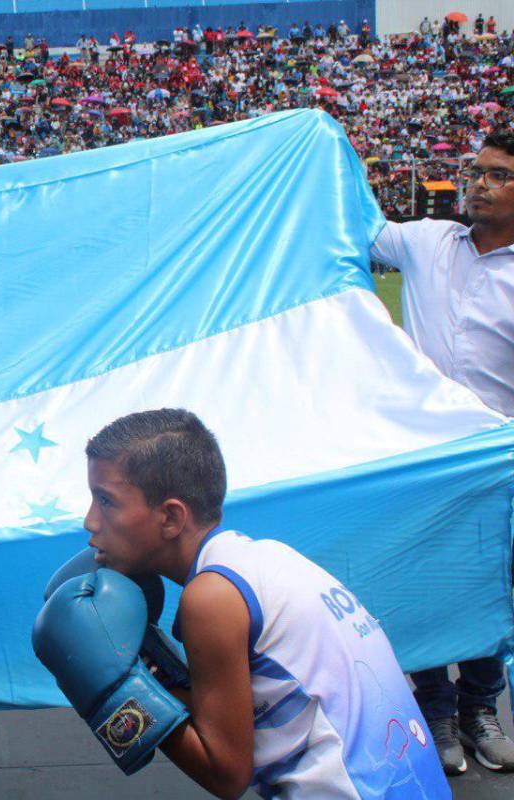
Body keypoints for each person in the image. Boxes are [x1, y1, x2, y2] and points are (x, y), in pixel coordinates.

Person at [38, 409, 450, 798]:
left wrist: (116, 693)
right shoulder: (265, 559)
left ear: (170, 518)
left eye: (106, 500)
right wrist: (148, 665)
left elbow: (226, 774)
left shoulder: (212, 598)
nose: (90, 521)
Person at [369, 130, 514, 775]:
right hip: (421, 456)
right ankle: (435, 710)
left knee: (488, 585)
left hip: (495, 461)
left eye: (498, 175)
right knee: (425, 583)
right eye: (476, 171)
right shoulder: (427, 240)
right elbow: (353, 228)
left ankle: (480, 707)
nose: (478, 183)